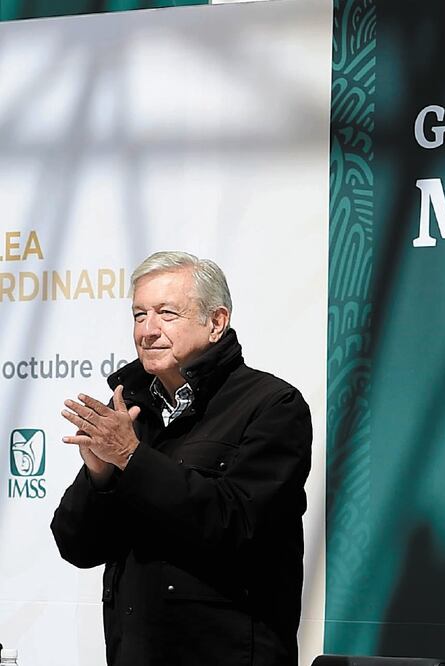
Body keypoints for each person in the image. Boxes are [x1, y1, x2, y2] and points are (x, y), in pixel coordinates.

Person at [51, 251, 312, 666]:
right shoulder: (131, 410)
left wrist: (132, 458)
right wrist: (99, 477)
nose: (148, 331)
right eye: (139, 315)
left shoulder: (273, 405)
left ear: (216, 322)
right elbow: (76, 546)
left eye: (166, 313)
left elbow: (237, 525)